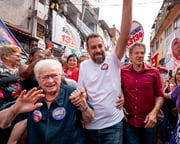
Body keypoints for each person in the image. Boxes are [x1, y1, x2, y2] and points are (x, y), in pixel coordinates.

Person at [0, 58, 94, 144]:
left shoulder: (72, 94)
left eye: (54, 76)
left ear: (61, 76)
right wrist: (15, 109)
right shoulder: (32, 96)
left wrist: (83, 104)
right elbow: (3, 123)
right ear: (37, 79)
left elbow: (89, 119)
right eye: (45, 77)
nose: (50, 81)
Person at [77, 0, 132, 143]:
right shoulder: (83, 66)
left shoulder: (113, 60)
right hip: (90, 127)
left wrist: (127, 3)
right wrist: (83, 109)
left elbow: (125, 36)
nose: (97, 50)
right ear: (88, 50)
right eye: (93, 47)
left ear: (105, 46)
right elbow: (82, 92)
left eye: (100, 46)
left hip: (113, 126)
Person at [121, 43, 164, 144]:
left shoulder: (154, 72)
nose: (140, 55)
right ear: (130, 55)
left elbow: (160, 96)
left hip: (149, 121)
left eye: (142, 53)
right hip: (129, 121)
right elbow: (118, 90)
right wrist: (120, 105)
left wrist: (154, 113)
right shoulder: (122, 72)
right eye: (136, 53)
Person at [0, 45, 22, 144]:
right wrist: (19, 77)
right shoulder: (1, 70)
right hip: (4, 105)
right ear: (6, 56)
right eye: (17, 56)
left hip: (19, 106)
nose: (20, 58)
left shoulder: (21, 70)